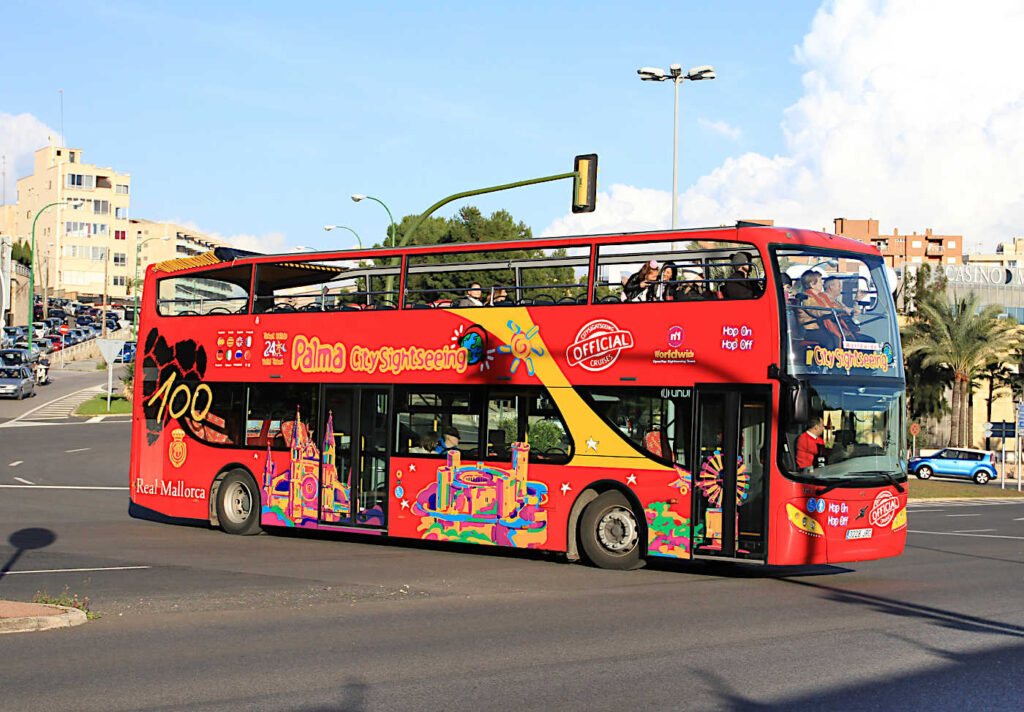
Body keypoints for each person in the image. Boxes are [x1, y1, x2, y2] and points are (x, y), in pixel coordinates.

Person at [796, 271, 841, 348]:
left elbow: (834, 305)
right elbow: (816, 311)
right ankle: (828, 359)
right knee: (832, 340)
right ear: (812, 284)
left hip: (821, 326)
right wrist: (832, 311)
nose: (822, 283)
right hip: (809, 329)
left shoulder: (821, 296)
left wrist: (847, 310)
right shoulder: (805, 297)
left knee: (841, 336)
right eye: (820, 281)